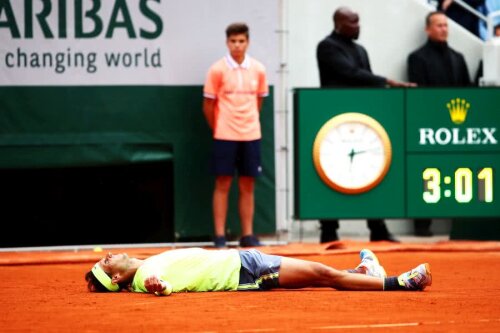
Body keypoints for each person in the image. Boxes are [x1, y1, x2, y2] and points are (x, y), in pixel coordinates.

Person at [315, 6, 414, 243]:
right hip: (335, 122)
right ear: (339, 23)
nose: (357, 26)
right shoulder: (327, 46)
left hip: (362, 119)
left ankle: (377, 227)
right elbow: (349, 73)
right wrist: (388, 81)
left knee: (372, 171)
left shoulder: (361, 50)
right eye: (352, 22)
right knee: (332, 171)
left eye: (358, 21)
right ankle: (329, 230)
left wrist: (383, 86)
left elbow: (366, 79)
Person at [85, 247, 432, 294]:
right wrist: (158, 286)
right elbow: (155, 285)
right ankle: (400, 283)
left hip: (243, 261)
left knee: (319, 273)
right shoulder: (144, 278)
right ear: (116, 277)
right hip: (247, 272)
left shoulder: (147, 263)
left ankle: (363, 271)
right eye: (106, 262)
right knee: (323, 275)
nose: (110, 255)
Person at [203, 23, 269, 248]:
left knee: (248, 184)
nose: (237, 45)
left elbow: (258, 101)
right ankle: (220, 236)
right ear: (227, 42)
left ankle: (247, 235)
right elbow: (208, 105)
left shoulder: (259, 69)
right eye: (233, 41)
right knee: (222, 183)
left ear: (247, 42)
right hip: (224, 135)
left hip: (251, 134)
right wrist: (219, 128)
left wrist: (248, 122)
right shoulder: (217, 70)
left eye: (241, 41)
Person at [407, 11, 472, 236]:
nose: (444, 29)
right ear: (428, 29)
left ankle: (462, 224)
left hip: (456, 129)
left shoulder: (458, 57)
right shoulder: (417, 58)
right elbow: (419, 95)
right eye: (439, 25)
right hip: (428, 128)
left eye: (446, 25)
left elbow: (468, 92)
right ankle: (422, 225)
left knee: (460, 172)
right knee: (425, 172)